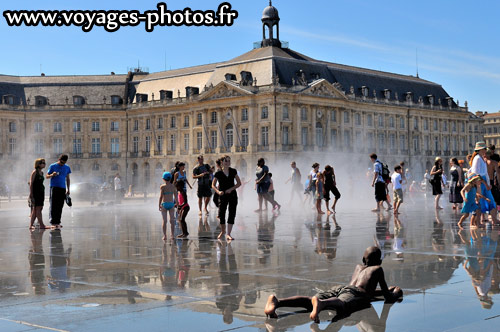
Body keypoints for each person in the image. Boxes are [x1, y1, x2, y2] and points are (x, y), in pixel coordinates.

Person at [264, 246, 403, 323]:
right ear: (379, 261)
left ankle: (278, 302)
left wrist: (377, 292)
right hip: (354, 293)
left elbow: (365, 290)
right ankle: (322, 304)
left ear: (363, 259)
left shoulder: (358, 267)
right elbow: (388, 297)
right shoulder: (377, 269)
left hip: (342, 288)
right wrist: (396, 291)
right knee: (342, 305)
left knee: (309, 301)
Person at [212, 155, 241, 241]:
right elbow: (213, 185)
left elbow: (239, 183)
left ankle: (228, 233)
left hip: (232, 195)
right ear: (222, 162)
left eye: (229, 161)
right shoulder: (218, 173)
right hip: (222, 195)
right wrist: (218, 192)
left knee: (232, 213)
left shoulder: (233, 171)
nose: (227, 163)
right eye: (226, 161)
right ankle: (223, 231)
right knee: (221, 214)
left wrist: (231, 189)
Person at [469, 142, 498, 224]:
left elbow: (485, 173)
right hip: (480, 182)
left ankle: (493, 219)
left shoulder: (481, 158)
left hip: (484, 182)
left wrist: (488, 184)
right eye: (485, 149)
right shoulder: (477, 158)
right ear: (480, 149)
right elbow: (475, 172)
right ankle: (476, 222)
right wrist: (481, 183)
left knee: (491, 200)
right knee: (479, 202)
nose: (486, 150)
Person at [46, 154, 71, 229]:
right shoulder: (53, 166)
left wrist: (68, 189)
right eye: (61, 162)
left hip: (62, 188)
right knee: (53, 204)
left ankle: (58, 222)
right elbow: (46, 176)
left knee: (60, 205)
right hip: (54, 187)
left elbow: (68, 178)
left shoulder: (67, 167)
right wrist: (52, 175)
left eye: (64, 163)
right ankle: (53, 222)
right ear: (59, 159)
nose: (62, 164)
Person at [29, 158, 49, 230]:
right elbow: (31, 183)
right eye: (43, 163)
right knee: (38, 209)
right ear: (38, 164)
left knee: (36, 209)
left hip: (41, 192)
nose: (44, 164)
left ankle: (31, 225)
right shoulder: (35, 172)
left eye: (44, 163)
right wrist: (31, 194)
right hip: (36, 192)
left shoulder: (42, 172)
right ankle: (41, 224)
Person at [159, 172, 177, 241]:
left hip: (164, 204)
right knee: (172, 221)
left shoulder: (162, 187)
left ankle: (165, 236)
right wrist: (177, 205)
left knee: (164, 221)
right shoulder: (173, 186)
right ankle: (172, 235)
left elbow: (161, 197)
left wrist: (159, 205)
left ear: (163, 179)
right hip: (171, 204)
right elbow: (176, 196)